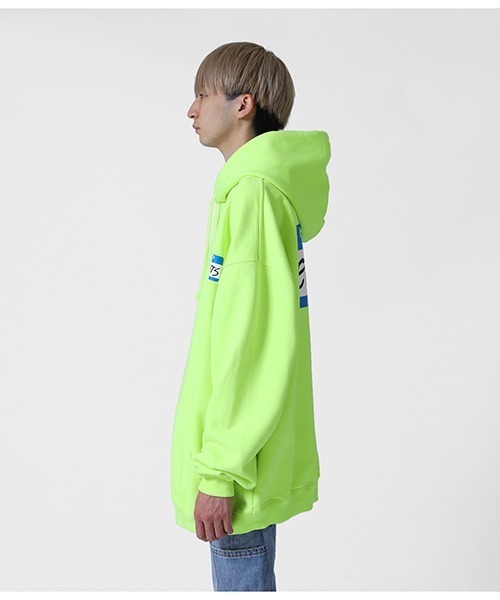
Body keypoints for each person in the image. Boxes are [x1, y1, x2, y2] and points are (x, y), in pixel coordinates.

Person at [170, 41, 331, 592]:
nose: (191, 109)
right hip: (245, 456)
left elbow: (250, 341)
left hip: (238, 468)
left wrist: (220, 469)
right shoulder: (251, 193)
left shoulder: (253, 195)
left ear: (243, 104)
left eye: (202, 94)